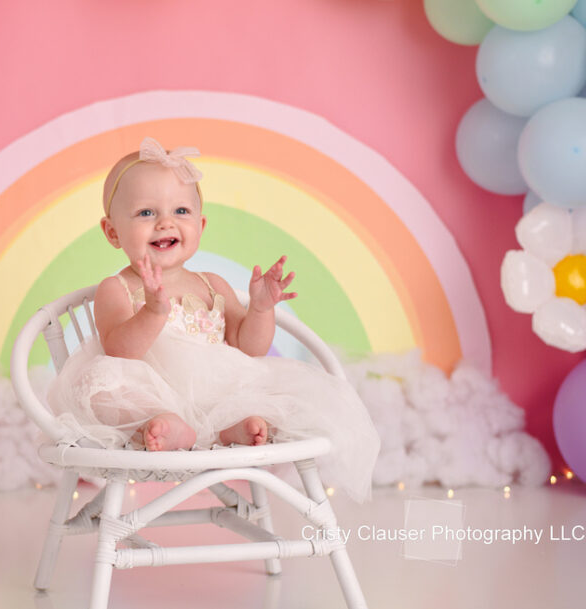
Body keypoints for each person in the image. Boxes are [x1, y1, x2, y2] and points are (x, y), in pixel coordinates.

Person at [46, 137, 379, 502]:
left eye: (181, 212)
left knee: (271, 397)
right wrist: (153, 311)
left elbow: (249, 347)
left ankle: (227, 429)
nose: (164, 223)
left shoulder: (212, 285)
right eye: (145, 213)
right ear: (112, 232)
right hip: (154, 392)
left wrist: (261, 309)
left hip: (218, 392)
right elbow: (120, 350)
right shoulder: (118, 288)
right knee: (101, 389)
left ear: (201, 225)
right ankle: (166, 425)